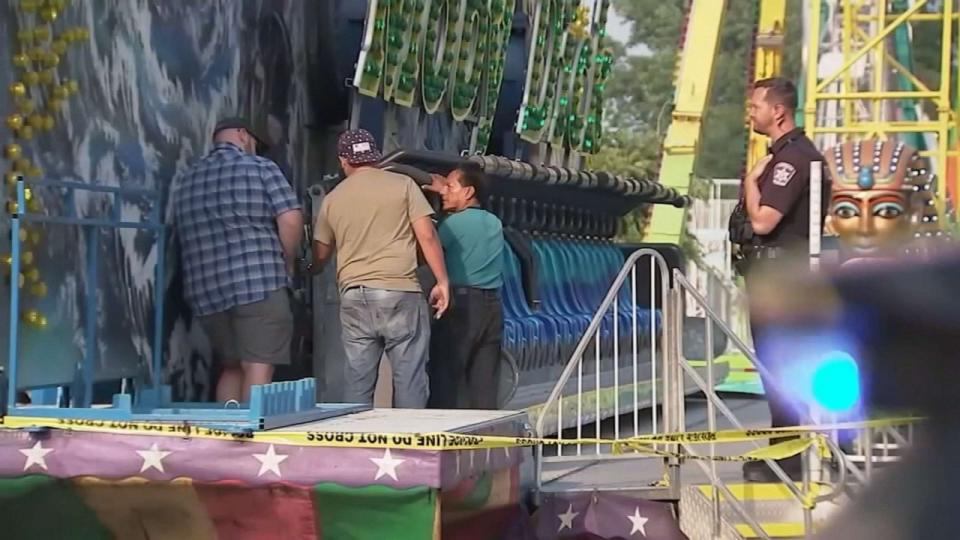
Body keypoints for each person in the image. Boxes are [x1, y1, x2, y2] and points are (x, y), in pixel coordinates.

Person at [310, 129, 449, 408]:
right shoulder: (403, 185)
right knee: (409, 378)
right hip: (400, 291)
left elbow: (320, 255)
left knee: (358, 380)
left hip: (353, 295)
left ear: (343, 161)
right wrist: (442, 281)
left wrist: (307, 267)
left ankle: (358, 446)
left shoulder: (332, 199)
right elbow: (427, 236)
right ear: (373, 156)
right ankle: (409, 446)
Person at [734, 77, 830, 482]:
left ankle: (788, 459)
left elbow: (763, 219)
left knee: (781, 366)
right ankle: (785, 452)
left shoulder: (792, 160)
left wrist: (750, 185)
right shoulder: (788, 155)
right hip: (779, 275)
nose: (750, 113)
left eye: (756, 105)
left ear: (778, 111)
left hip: (781, 276)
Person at [173, 117, 303, 403]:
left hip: (207, 293)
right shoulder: (261, 168)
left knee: (231, 367)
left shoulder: (188, 178)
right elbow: (291, 219)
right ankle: (247, 440)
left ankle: (226, 437)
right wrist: (288, 261)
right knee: (257, 364)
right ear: (244, 136)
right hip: (258, 284)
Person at [425, 162, 506, 409]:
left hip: (460, 305)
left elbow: (427, 244)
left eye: (451, 187)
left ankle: (442, 440)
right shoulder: (494, 222)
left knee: (446, 379)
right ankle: (484, 443)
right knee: (484, 384)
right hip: (492, 307)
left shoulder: (452, 225)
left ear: (469, 192)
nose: (444, 192)